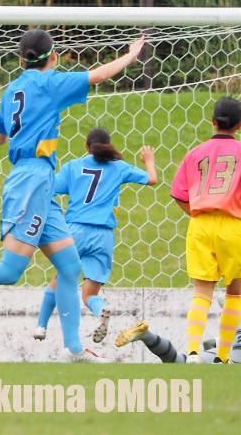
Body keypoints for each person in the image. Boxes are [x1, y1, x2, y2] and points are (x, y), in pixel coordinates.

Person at [0, 29, 144, 363]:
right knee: (10, 270)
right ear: (54, 56)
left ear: (21, 61)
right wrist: (131, 55)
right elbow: (100, 75)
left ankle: (74, 349)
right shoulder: (50, 83)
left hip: (40, 180)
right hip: (31, 179)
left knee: (70, 265)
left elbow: (0, 137)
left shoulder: (13, 88)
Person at [33, 128, 156, 345]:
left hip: (75, 232)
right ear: (108, 145)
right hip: (103, 236)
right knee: (89, 294)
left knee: (60, 279)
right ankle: (101, 311)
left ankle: (41, 326)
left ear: (86, 146)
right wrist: (148, 160)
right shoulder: (118, 167)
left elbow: (49, 191)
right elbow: (152, 179)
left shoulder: (73, 166)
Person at [167, 96, 241, 363]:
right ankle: (222, 356)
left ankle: (193, 352)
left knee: (201, 292)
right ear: (239, 125)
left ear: (212, 121)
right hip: (233, 226)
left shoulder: (195, 153)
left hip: (200, 224)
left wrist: (197, 212)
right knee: (235, 293)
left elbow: (178, 194)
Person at [116, 321, 230, 363]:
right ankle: (146, 335)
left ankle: (147, 335)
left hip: (212, 355)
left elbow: (208, 342)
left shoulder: (232, 337)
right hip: (225, 359)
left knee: (176, 359)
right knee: (174, 361)